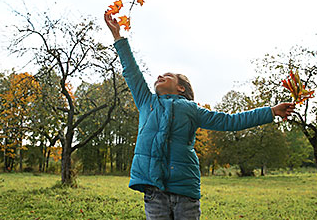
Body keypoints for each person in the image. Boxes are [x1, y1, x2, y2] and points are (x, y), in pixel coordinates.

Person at [104, 12, 295, 220]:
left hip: (185, 191)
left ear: (181, 88)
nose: (159, 76)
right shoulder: (146, 101)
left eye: (167, 76)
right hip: (154, 191)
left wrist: (271, 111)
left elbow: (230, 121)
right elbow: (131, 71)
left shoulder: (191, 109)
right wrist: (118, 37)